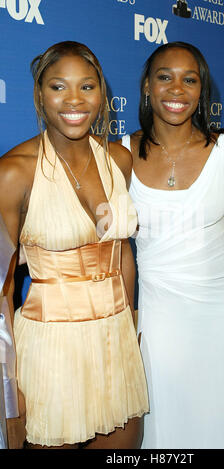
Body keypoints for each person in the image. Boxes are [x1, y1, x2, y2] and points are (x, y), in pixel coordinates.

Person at [0, 41, 148, 449]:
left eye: (86, 87)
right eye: (57, 87)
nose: (73, 100)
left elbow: (123, 257)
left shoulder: (119, 159)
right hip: (51, 351)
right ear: (39, 94)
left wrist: (131, 329)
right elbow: (3, 291)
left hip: (116, 342)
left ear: (102, 94)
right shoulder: (13, 173)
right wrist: (9, 387)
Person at [119, 41, 224, 449]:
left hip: (220, 321)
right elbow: (113, 250)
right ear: (147, 86)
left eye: (190, 79)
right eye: (165, 77)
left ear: (202, 90)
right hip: (155, 322)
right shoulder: (121, 155)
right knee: (160, 434)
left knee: (220, 431)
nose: (177, 90)